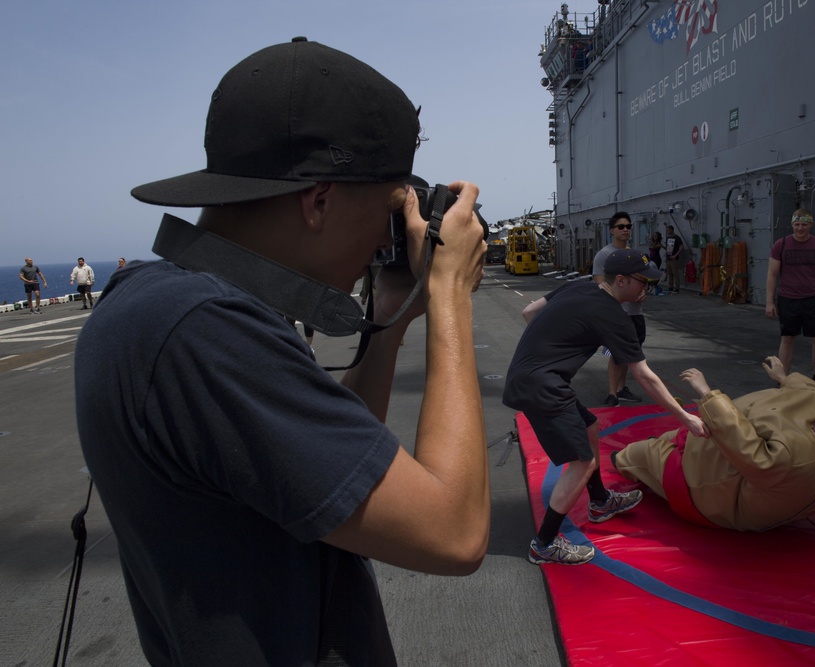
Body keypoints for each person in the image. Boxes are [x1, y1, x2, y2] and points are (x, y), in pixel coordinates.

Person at [74, 37, 489, 665]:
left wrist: (390, 313)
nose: (386, 238)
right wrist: (450, 291)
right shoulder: (204, 333)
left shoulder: (155, 302)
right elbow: (454, 533)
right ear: (319, 202)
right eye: (386, 213)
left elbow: (331, 457)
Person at [504, 249, 707, 564]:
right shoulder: (615, 316)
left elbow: (529, 312)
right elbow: (644, 376)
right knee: (581, 463)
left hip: (535, 377)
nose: (647, 290)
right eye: (643, 283)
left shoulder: (579, 287)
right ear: (622, 280)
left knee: (590, 427)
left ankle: (600, 502)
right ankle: (543, 544)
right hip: (542, 386)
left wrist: (551, 347)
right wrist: (685, 418)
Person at [612, 356, 815, 530]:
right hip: (721, 461)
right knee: (682, 435)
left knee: (639, 455)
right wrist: (785, 379)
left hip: (700, 490)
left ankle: (625, 460)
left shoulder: (795, 458)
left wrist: (706, 392)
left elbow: (742, 442)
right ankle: (660, 449)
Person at [765, 209, 815, 388]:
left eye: (804, 224)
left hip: (813, 297)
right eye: (797, 224)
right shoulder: (781, 245)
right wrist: (770, 302)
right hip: (788, 298)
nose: (800, 228)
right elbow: (772, 274)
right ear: (792, 225)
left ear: (811, 225)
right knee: (788, 338)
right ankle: (783, 379)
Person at [593, 212, 646, 406]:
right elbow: (599, 284)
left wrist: (643, 292)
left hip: (635, 313)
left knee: (629, 355)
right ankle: (612, 393)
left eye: (628, 226)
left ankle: (622, 389)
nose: (626, 230)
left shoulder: (636, 255)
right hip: (617, 314)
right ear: (612, 230)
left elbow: (643, 280)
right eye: (621, 226)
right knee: (616, 355)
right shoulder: (604, 255)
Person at [663, 224, 684, 293]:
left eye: (668, 230)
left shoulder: (677, 238)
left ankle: (677, 287)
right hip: (668, 257)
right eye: (667, 230)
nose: (667, 231)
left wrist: (676, 255)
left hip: (674, 258)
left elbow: (681, 247)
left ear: (672, 230)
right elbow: (668, 248)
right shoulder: (668, 238)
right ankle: (670, 287)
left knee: (675, 273)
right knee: (670, 273)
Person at [647, 231, 664, 296]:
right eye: (653, 235)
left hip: (656, 259)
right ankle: (651, 285)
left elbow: (654, 247)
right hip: (651, 259)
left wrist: (652, 241)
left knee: (655, 272)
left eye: (656, 235)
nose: (654, 236)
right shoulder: (652, 242)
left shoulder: (658, 243)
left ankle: (655, 285)